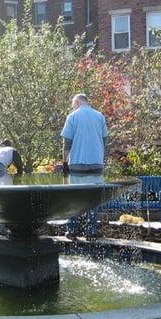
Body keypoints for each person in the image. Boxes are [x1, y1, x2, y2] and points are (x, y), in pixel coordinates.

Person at [60, 94, 108, 238]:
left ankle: (72, 229)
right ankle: (91, 230)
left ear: (77, 102)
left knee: (74, 197)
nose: (72, 107)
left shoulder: (72, 117)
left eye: (73, 104)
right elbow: (105, 139)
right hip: (96, 163)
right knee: (93, 198)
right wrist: (100, 155)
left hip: (77, 164)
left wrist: (64, 162)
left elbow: (66, 143)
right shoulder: (99, 116)